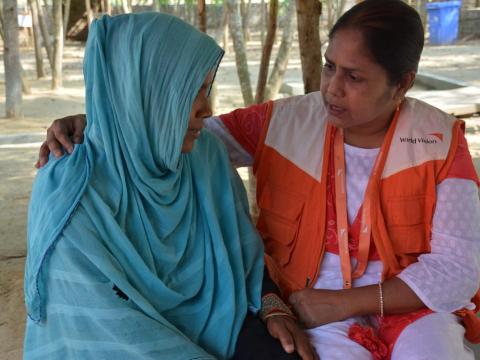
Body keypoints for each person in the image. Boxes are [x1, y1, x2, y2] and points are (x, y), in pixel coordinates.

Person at [38, 0, 480, 359]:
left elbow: (458, 270)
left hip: (410, 304)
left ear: (401, 84)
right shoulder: (283, 122)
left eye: (354, 76)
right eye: (329, 67)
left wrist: (344, 303)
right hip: (309, 302)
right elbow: (165, 133)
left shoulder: (440, 140)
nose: (331, 89)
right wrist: (101, 123)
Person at [25, 13, 318, 360]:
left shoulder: (203, 157)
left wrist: (272, 306)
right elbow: (103, 326)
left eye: (206, 88)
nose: (207, 109)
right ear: (145, 92)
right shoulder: (70, 188)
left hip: (219, 316)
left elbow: (242, 260)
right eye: (191, 91)